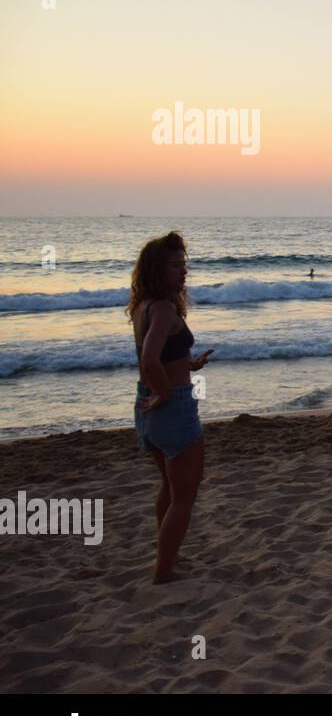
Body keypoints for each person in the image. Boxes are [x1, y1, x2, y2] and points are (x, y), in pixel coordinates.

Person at [129, 232, 213, 583]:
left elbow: (159, 356)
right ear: (157, 269)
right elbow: (149, 359)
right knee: (184, 496)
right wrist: (165, 393)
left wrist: (187, 364)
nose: (184, 273)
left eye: (184, 265)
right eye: (176, 266)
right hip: (171, 407)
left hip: (146, 407)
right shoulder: (163, 309)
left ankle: (167, 560)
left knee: (169, 486)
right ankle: (163, 572)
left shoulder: (144, 306)